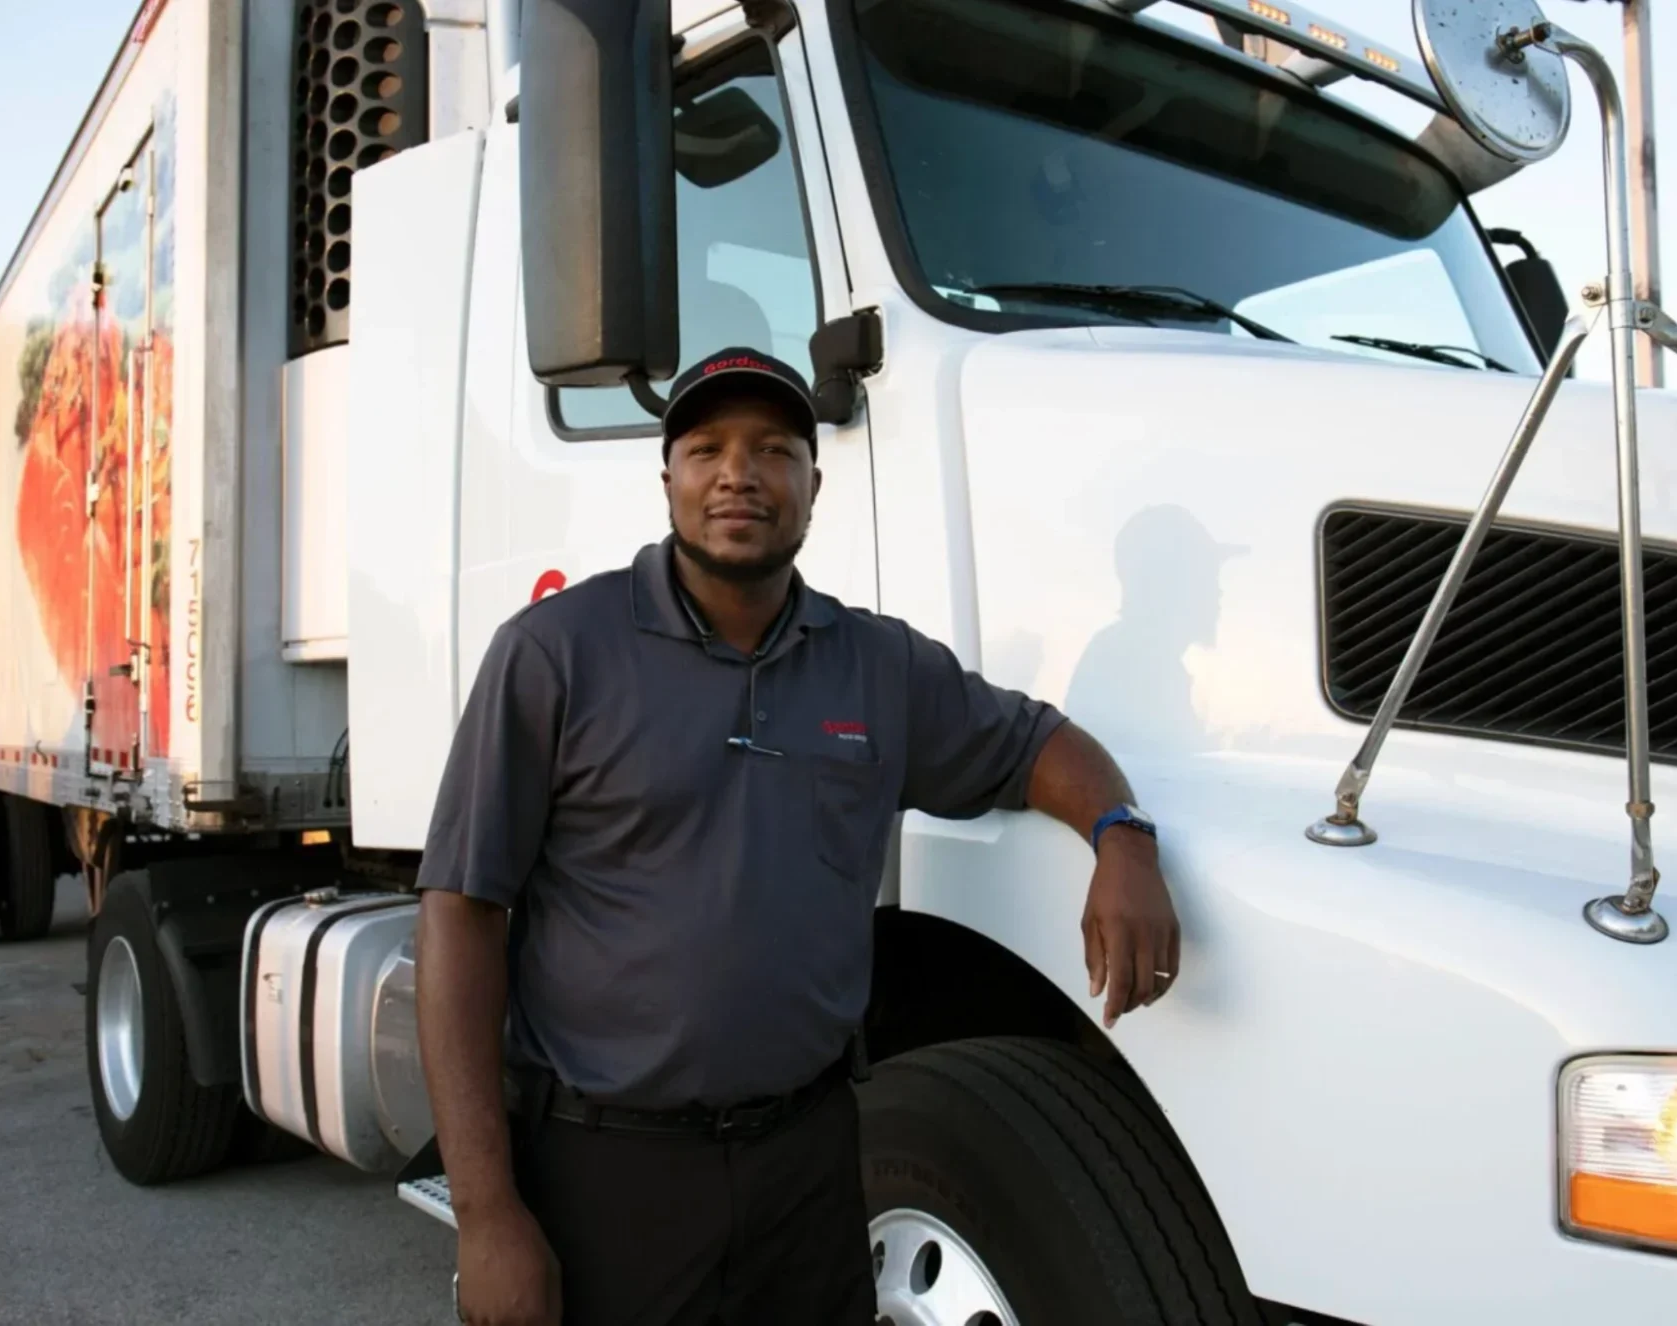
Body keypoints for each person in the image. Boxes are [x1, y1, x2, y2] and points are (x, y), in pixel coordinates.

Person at [414, 346, 1181, 1326]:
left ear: (814, 485)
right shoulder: (556, 653)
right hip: (610, 1173)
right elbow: (461, 913)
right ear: (666, 480)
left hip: (807, 1168)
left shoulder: (878, 667)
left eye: (774, 449)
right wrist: (487, 1214)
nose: (738, 473)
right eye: (706, 449)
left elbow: (1038, 745)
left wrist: (1122, 838)